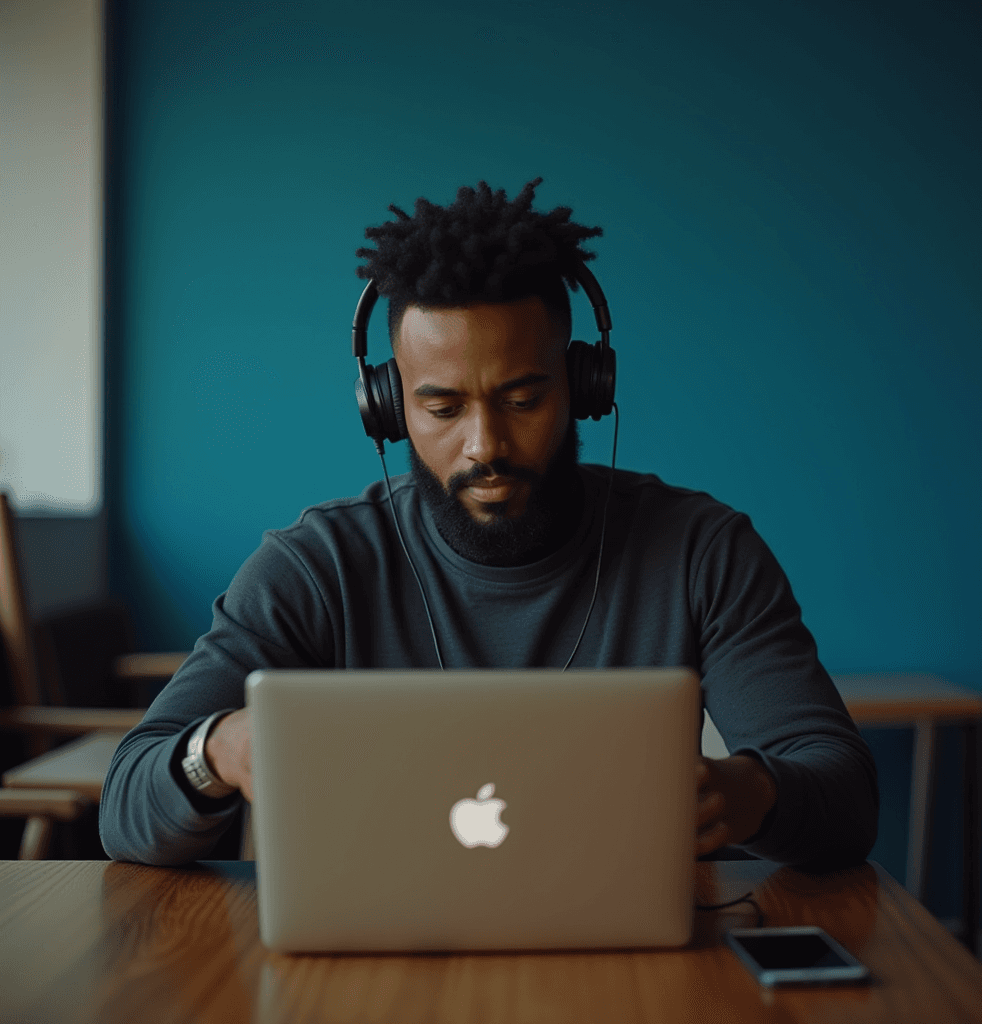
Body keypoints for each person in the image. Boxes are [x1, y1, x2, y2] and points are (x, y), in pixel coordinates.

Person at [99, 178, 878, 869]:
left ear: (583, 386)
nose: (486, 446)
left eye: (522, 398)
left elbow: (843, 793)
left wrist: (754, 791)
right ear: (389, 405)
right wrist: (219, 751)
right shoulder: (315, 566)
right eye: (442, 407)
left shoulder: (703, 551)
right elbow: (125, 805)